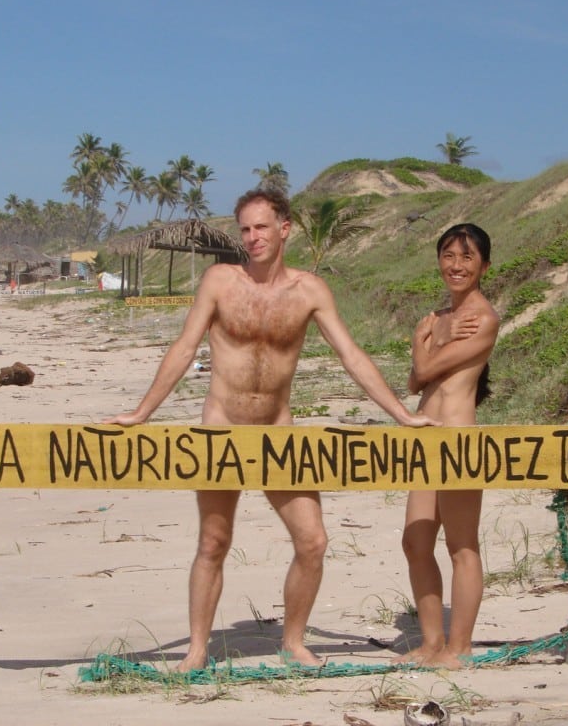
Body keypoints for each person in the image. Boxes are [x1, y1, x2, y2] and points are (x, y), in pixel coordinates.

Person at [105, 188, 437, 671]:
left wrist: (402, 416)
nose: (252, 237)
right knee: (213, 543)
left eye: (261, 227)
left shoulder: (310, 291)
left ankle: (293, 641)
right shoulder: (220, 281)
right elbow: (183, 348)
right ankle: (197, 650)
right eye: (245, 229)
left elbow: (352, 356)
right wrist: (141, 413)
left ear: (285, 229)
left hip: (279, 434)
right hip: (221, 432)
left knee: (313, 541)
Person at [394, 223, 500, 669]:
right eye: (448, 256)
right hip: (425, 439)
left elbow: (428, 363)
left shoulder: (483, 318)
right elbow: (416, 380)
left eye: (467, 257)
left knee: (462, 545)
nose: (456, 266)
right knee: (416, 542)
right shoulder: (438, 317)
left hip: (458, 440)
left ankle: (460, 648)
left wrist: (429, 342)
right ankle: (431, 641)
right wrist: (431, 342)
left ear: (484, 266)